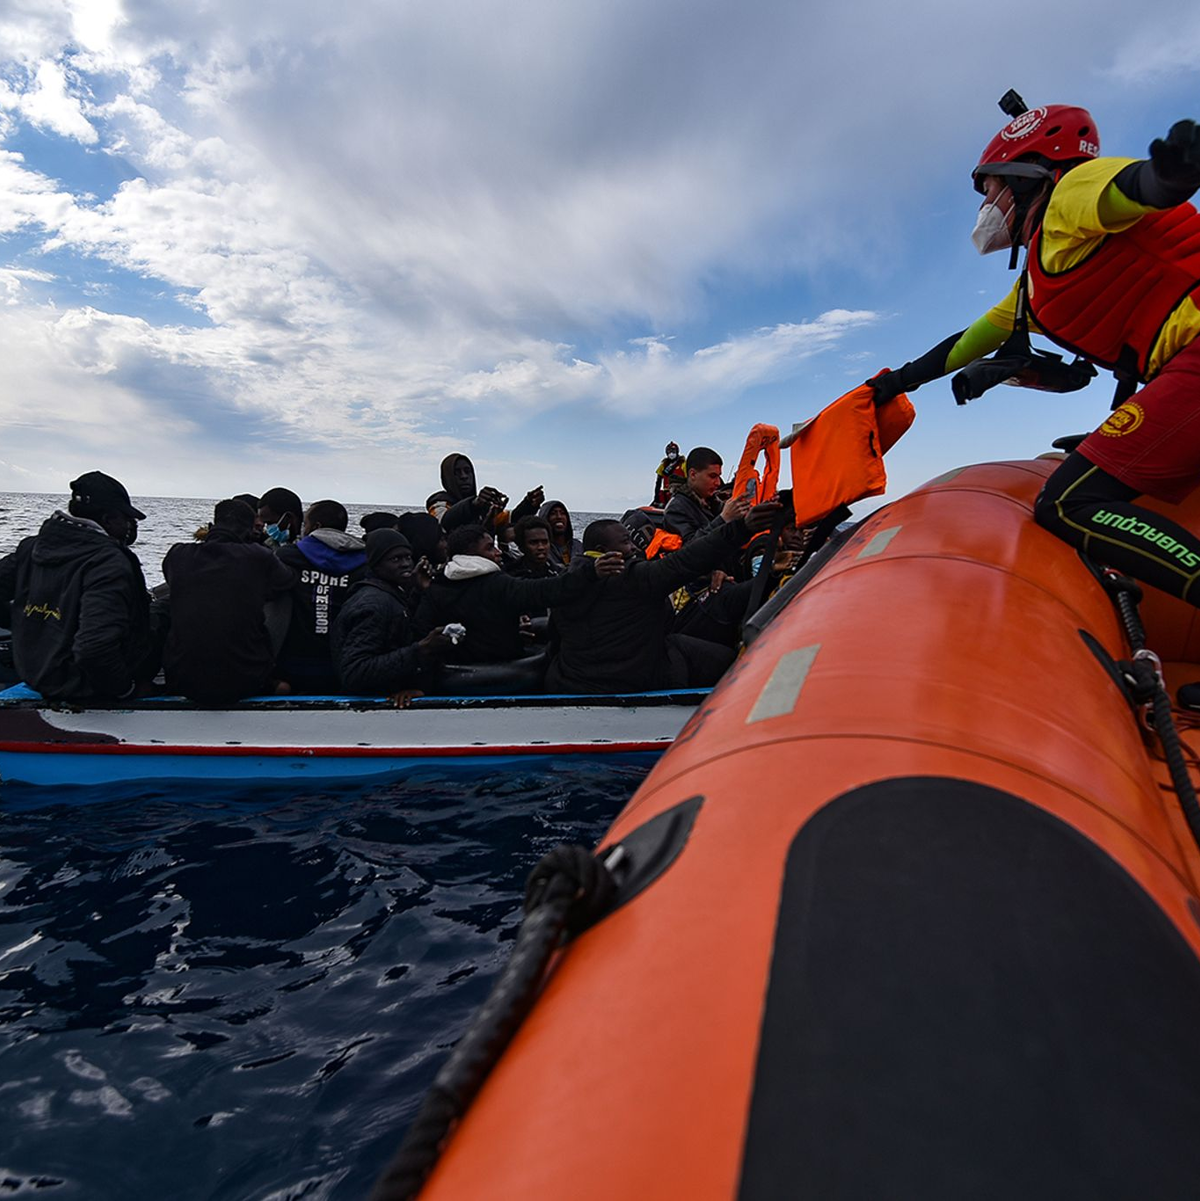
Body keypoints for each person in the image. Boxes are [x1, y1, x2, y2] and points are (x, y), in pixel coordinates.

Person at [870, 97, 1200, 606]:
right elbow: (968, 342)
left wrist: (1166, 179)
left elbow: (1124, 190)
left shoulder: (1071, 191)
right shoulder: (1040, 279)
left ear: (1029, 178)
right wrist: (895, 383)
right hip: (1183, 371)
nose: (987, 206)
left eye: (993, 188)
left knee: (1069, 502)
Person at [545, 505, 777, 694]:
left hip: (570, 680)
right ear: (602, 550)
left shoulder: (564, 582)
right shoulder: (635, 577)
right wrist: (741, 527)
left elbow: (554, 638)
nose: (634, 547)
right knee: (730, 660)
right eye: (626, 541)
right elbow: (689, 560)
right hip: (632, 681)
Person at [0, 471, 155, 700]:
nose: (130, 526)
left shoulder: (31, 547)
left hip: (36, 673)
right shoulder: (108, 563)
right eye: (126, 518)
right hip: (84, 687)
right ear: (108, 518)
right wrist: (125, 689)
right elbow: (94, 648)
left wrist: (23, 623)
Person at [413, 524, 622, 664]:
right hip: (499, 666)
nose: (497, 553)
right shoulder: (496, 583)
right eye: (489, 548)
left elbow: (420, 631)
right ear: (470, 555)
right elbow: (546, 591)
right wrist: (590, 571)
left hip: (455, 669)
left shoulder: (436, 586)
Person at [162, 498, 296, 702]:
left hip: (181, 678)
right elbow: (289, 580)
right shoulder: (258, 557)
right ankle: (277, 673)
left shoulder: (177, 555)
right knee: (284, 597)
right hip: (245, 680)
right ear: (251, 530)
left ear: (211, 527)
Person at [332, 529, 452, 695]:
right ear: (376, 564)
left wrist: (419, 591)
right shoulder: (373, 605)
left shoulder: (392, 595)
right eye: (395, 559)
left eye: (408, 557)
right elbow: (355, 672)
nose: (405, 564)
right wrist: (420, 650)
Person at [276, 500, 367, 692]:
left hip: (293, 661)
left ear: (316, 527)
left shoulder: (288, 557)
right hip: (344, 661)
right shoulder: (364, 564)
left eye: (305, 524)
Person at [426, 453, 544, 534]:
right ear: (448, 477)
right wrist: (472, 505)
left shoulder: (482, 507)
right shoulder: (439, 503)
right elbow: (443, 522)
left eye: (467, 471)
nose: (464, 477)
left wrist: (529, 504)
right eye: (457, 473)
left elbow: (510, 518)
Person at [538, 499, 583, 569]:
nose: (559, 517)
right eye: (553, 513)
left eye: (562, 513)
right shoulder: (541, 549)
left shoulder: (577, 546)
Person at [653, 441, 686, 506]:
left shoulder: (683, 464)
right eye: (669, 452)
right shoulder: (663, 465)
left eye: (673, 451)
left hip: (679, 493)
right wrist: (656, 497)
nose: (671, 453)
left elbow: (688, 479)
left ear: (677, 452)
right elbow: (658, 481)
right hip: (666, 494)